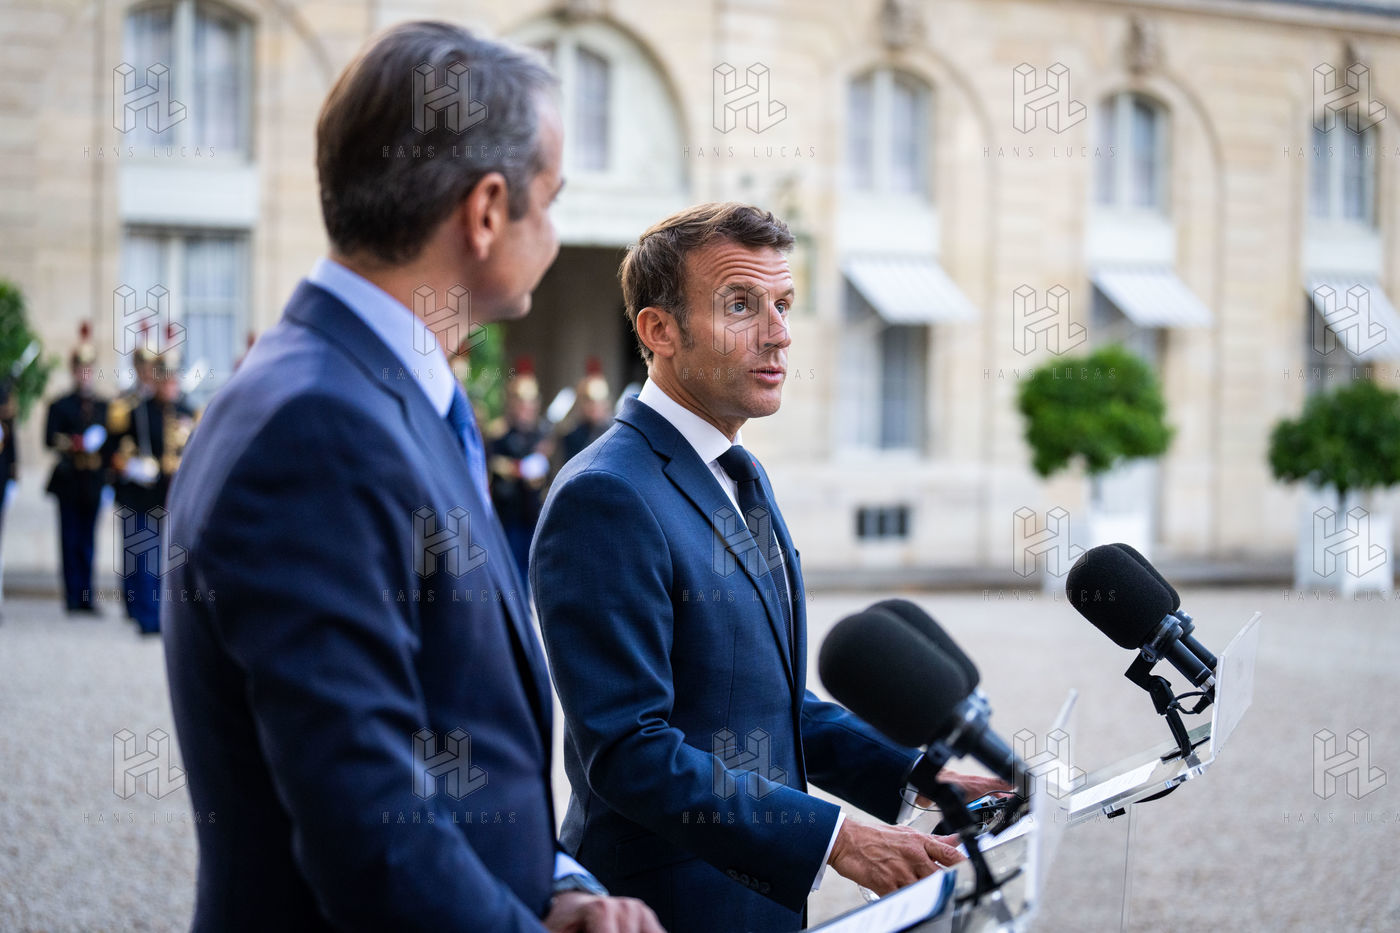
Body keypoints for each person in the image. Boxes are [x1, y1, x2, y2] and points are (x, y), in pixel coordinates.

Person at [160, 21, 659, 933]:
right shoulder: (320, 429)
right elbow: (371, 835)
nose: (555, 234)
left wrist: (555, 889)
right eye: (551, 201)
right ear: (486, 210)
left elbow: (446, 744)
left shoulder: (368, 389)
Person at [531, 203, 1007, 933]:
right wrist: (836, 839)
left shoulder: (739, 472)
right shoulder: (606, 495)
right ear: (659, 331)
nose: (779, 333)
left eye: (783, 304)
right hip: (665, 909)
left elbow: (763, 704)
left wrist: (918, 777)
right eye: (740, 305)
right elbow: (629, 750)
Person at [104, 344, 192, 634]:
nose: (170, 385)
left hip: (172, 495)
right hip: (141, 495)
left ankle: (163, 614)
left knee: (169, 559)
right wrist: (131, 466)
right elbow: (113, 450)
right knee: (145, 556)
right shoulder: (137, 410)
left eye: (173, 379)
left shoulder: (185, 411)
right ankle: (148, 616)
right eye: (164, 379)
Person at [44, 326, 109, 614]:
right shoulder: (61, 404)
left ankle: (86, 596)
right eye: (81, 369)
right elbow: (50, 439)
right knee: (70, 539)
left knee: (88, 541)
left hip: (93, 480)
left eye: (89, 369)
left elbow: (110, 443)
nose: (85, 374)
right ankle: (72, 596)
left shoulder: (103, 406)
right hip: (69, 479)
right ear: (73, 371)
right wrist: (77, 443)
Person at [486, 358, 552, 583]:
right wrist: (521, 469)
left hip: (533, 513)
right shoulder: (499, 433)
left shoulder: (541, 434)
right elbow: (493, 465)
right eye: (522, 402)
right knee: (510, 576)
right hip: (508, 514)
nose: (527, 408)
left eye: (531, 402)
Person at [557, 357, 613, 466]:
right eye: (590, 402)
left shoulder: (612, 432)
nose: (595, 407)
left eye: (599, 402)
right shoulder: (572, 435)